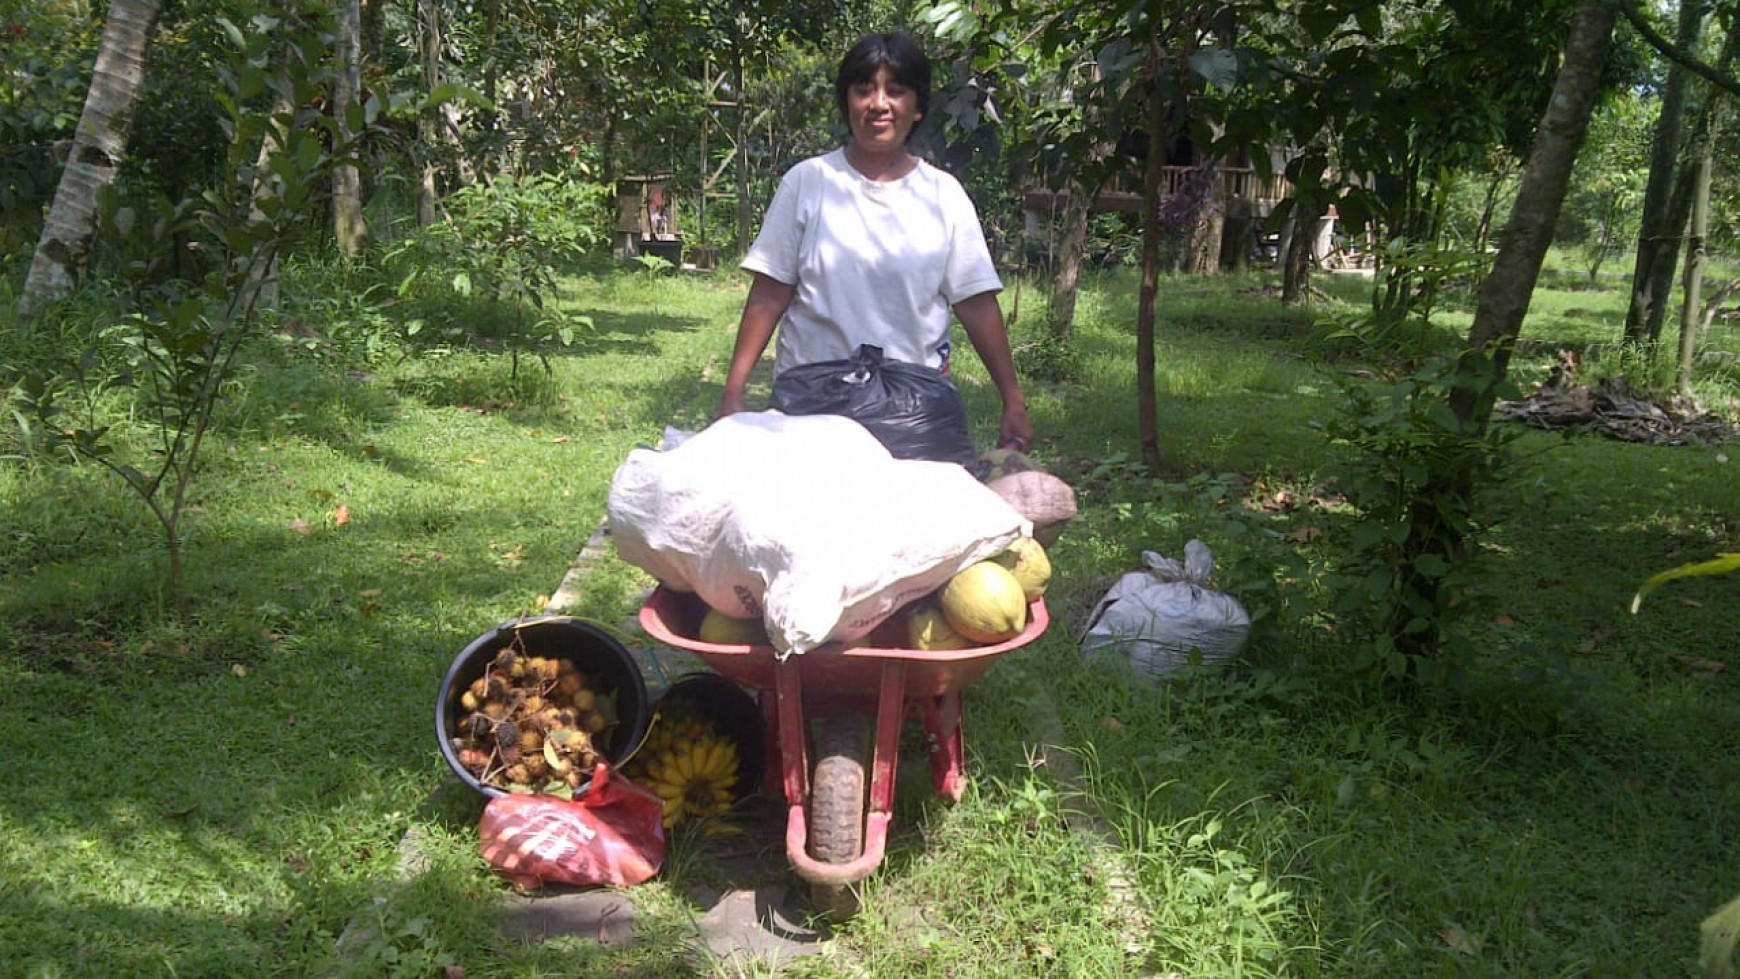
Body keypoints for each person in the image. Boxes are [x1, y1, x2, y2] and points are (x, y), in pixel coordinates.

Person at [718, 31, 1035, 456]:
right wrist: (734, 392)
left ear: (917, 106)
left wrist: (1012, 399)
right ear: (846, 100)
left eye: (896, 91)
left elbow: (975, 302)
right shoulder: (807, 184)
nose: (878, 104)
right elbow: (771, 292)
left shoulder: (943, 195)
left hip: (916, 405)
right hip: (813, 405)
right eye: (863, 89)